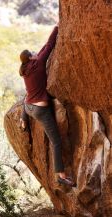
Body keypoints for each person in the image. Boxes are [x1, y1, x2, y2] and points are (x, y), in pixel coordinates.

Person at [19, 24, 76, 188]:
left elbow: (42, 48)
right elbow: (49, 45)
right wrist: (57, 28)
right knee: (56, 142)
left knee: (26, 95)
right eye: (33, 53)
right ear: (31, 58)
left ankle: (23, 120)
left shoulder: (25, 70)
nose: (36, 53)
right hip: (39, 111)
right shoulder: (38, 64)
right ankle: (61, 176)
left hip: (28, 107)